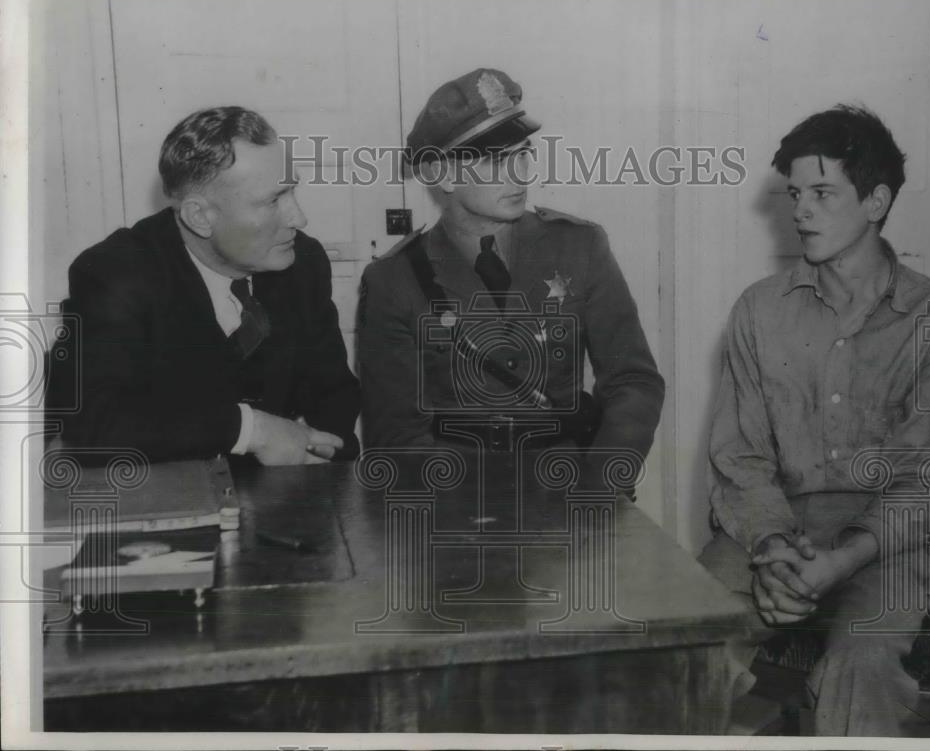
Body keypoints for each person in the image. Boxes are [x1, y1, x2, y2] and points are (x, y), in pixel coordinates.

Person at [699, 104, 930, 735]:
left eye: (823, 192)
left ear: (875, 201)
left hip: (883, 545)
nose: (800, 211)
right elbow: (740, 458)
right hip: (764, 537)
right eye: (795, 193)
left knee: (865, 662)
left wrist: (842, 561)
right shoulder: (758, 311)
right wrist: (769, 549)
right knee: (680, 647)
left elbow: (926, 480)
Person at [358, 68, 663, 490]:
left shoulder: (579, 247)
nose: (519, 173)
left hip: (574, 486)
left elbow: (634, 381)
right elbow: (395, 436)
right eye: (496, 160)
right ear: (443, 174)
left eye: (523, 153)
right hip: (458, 501)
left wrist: (601, 481)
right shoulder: (394, 280)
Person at [52, 106, 360, 464]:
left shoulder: (303, 260)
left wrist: (320, 452)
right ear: (199, 216)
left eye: (291, 191)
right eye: (272, 200)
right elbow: (91, 425)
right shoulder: (115, 273)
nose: (299, 217)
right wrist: (252, 431)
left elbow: (335, 394)